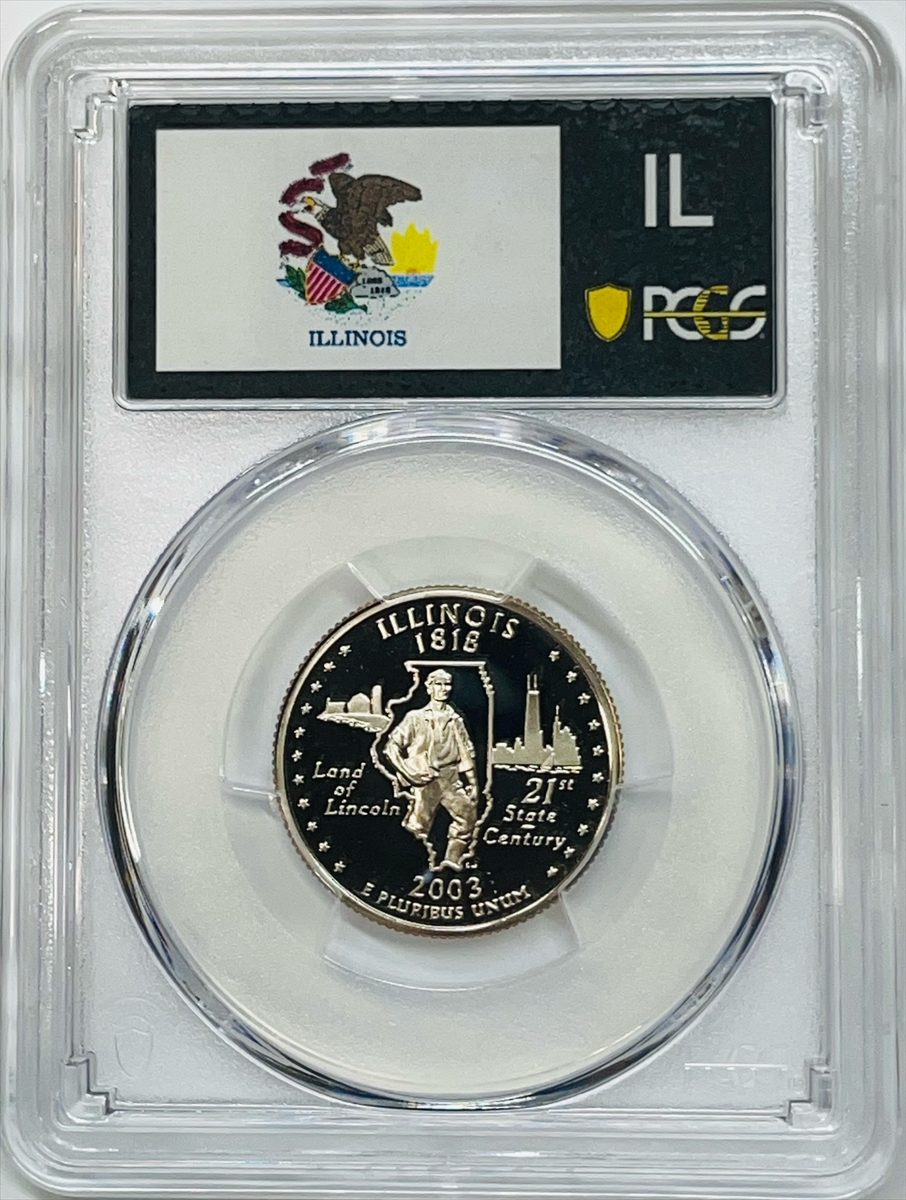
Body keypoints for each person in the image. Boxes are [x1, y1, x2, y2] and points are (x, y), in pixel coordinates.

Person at [384, 669, 479, 870]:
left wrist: (472, 782)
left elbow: (465, 751)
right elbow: (391, 747)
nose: (444, 689)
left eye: (447, 684)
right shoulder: (415, 717)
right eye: (438, 684)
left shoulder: (455, 720)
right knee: (417, 828)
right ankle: (409, 868)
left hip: (451, 779)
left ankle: (451, 865)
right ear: (429, 688)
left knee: (468, 819)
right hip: (426, 782)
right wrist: (407, 772)